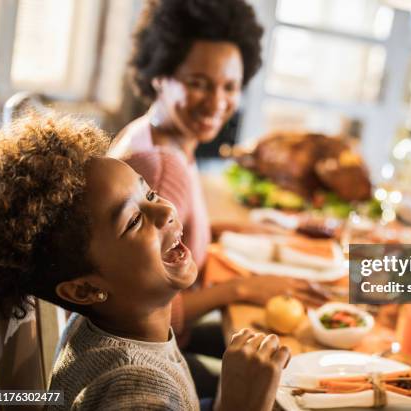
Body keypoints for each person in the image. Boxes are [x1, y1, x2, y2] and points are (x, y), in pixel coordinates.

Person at [0, 115, 289, 411]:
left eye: (149, 193)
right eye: (133, 221)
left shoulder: (104, 327)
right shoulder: (135, 387)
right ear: (85, 290)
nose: (165, 211)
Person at [109, 0, 326, 384]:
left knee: (281, 352)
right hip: (148, 363)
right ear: (161, 74)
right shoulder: (160, 165)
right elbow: (141, 309)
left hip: (165, 345)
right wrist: (242, 288)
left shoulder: (163, 139)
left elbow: (176, 227)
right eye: (198, 83)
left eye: (230, 86)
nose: (216, 102)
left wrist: (236, 230)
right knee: (288, 379)